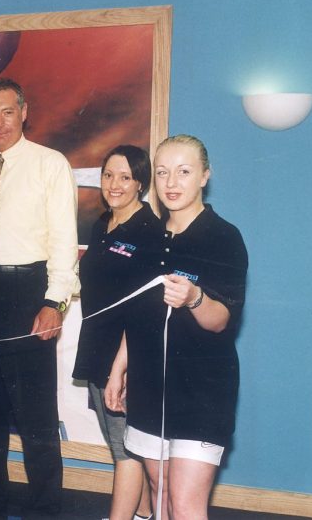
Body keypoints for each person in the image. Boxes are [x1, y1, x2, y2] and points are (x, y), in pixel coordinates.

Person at [107, 135, 248, 519]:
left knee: (185, 505)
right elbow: (136, 315)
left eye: (184, 172)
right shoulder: (145, 237)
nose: (171, 183)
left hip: (202, 389)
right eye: (163, 173)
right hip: (149, 383)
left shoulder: (224, 237)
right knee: (161, 494)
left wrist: (194, 299)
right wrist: (119, 368)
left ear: (204, 176)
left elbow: (222, 321)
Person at [0, 78, 79, 518]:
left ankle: (45, 510)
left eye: (7, 112)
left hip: (28, 295)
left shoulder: (51, 164)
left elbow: (65, 243)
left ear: (24, 112)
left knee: (36, 420)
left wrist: (55, 302)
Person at [72, 145, 160, 520]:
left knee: (126, 450)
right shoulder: (101, 224)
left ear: (140, 182)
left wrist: (122, 368)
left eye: (125, 177)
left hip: (127, 355)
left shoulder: (150, 231)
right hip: (97, 348)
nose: (114, 184)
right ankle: (143, 515)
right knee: (121, 444)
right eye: (108, 175)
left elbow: (144, 310)